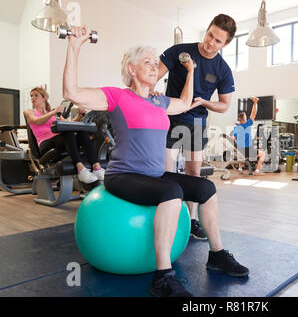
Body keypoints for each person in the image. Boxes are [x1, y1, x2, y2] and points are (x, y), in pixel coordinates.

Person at [62, 26, 249, 297]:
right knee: (172, 193)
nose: (154, 66)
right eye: (146, 62)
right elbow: (72, 92)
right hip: (123, 176)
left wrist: (191, 71)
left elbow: (185, 103)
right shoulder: (116, 96)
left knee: (206, 189)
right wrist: (74, 46)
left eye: (154, 62)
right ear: (130, 70)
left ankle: (217, 254)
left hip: (154, 176)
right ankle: (162, 277)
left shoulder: (158, 101)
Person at [158, 14, 237, 240]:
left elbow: (224, 105)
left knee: (194, 172)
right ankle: (167, 215)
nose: (211, 42)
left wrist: (204, 102)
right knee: (167, 171)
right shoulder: (178, 51)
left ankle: (192, 220)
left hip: (196, 122)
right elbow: (153, 76)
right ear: (208, 29)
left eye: (218, 41)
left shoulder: (223, 69)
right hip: (171, 117)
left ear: (226, 43)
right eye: (210, 34)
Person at [24, 87, 104, 184]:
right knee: (68, 133)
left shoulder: (53, 113)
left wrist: (78, 116)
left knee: (82, 132)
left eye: (36, 95)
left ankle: (96, 167)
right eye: (31, 96)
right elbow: (36, 121)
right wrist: (53, 112)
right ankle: (81, 169)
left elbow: (68, 123)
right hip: (45, 143)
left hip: (60, 140)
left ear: (44, 98)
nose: (33, 98)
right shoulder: (30, 112)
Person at [233, 97, 266, 175]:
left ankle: (240, 168)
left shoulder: (236, 128)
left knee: (241, 152)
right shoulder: (247, 124)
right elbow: (253, 113)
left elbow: (234, 138)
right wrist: (255, 102)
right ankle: (257, 170)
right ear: (244, 119)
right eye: (246, 117)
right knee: (263, 154)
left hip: (240, 151)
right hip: (248, 151)